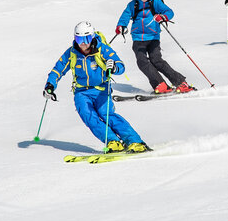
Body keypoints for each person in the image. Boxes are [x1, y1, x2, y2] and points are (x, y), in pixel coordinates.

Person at [43, 21, 149, 153]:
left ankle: (134, 141)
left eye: (86, 38)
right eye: (79, 39)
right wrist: (50, 85)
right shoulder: (72, 53)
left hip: (101, 90)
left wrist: (114, 67)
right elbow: (57, 70)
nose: (83, 43)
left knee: (107, 115)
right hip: (81, 92)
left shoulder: (102, 49)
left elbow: (120, 66)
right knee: (88, 116)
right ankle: (113, 142)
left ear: (92, 37)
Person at [115, 0, 193, 94]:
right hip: (138, 39)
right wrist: (121, 26)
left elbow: (169, 12)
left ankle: (181, 83)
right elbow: (125, 16)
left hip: (153, 38)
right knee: (142, 62)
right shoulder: (133, 4)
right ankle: (160, 84)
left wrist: (162, 17)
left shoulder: (156, 2)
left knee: (156, 60)